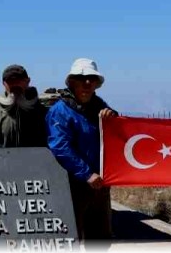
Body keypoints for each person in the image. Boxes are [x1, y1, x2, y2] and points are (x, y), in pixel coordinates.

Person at [46, 58, 117, 249]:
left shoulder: (101, 108)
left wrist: (112, 118)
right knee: (72, 240)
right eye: (81, 78)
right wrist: (86, 173)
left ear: (96, 84)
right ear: (72, 82)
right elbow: (60, 146)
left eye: (91, 79)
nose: (87, 83)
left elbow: (118, 137)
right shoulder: (60, 111)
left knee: (100, 240)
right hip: (72, 187)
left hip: (100, 186)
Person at [0, 64, 49, 148]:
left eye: (19, 80)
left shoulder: (43, 113)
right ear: (4, 84)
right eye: (10, 81)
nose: (15, 84)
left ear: (28, 81)